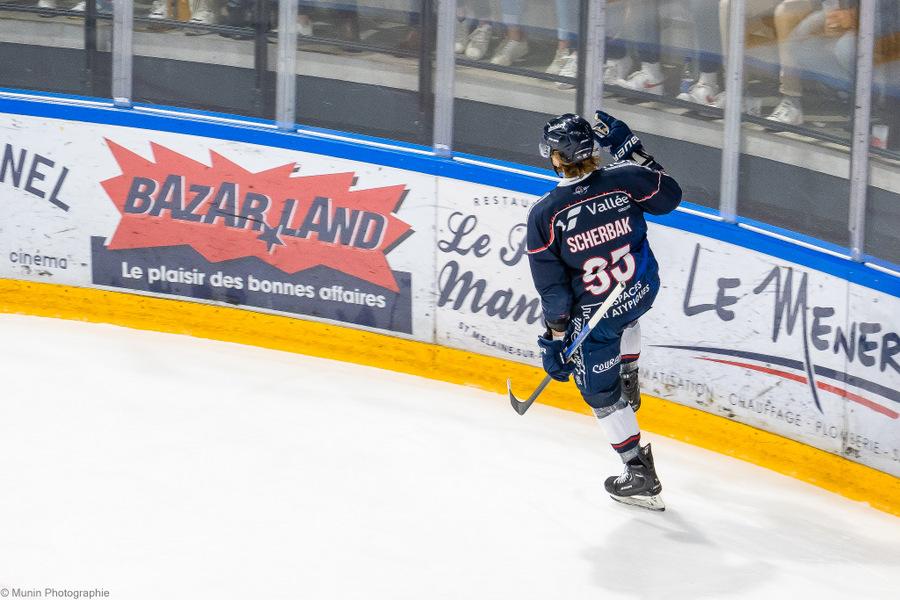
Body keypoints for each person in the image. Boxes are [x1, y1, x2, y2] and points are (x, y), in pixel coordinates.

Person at [526, 111, 682, 510]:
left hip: (600, 315)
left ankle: (638, 472)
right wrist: (633, 151)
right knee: (627, 317)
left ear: (557, 158)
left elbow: (554, 292)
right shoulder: (626, 177)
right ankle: (628, 373)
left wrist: (556, 339)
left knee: (599, 393)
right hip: (642, 288)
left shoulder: (546, 214)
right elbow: (670, 197)